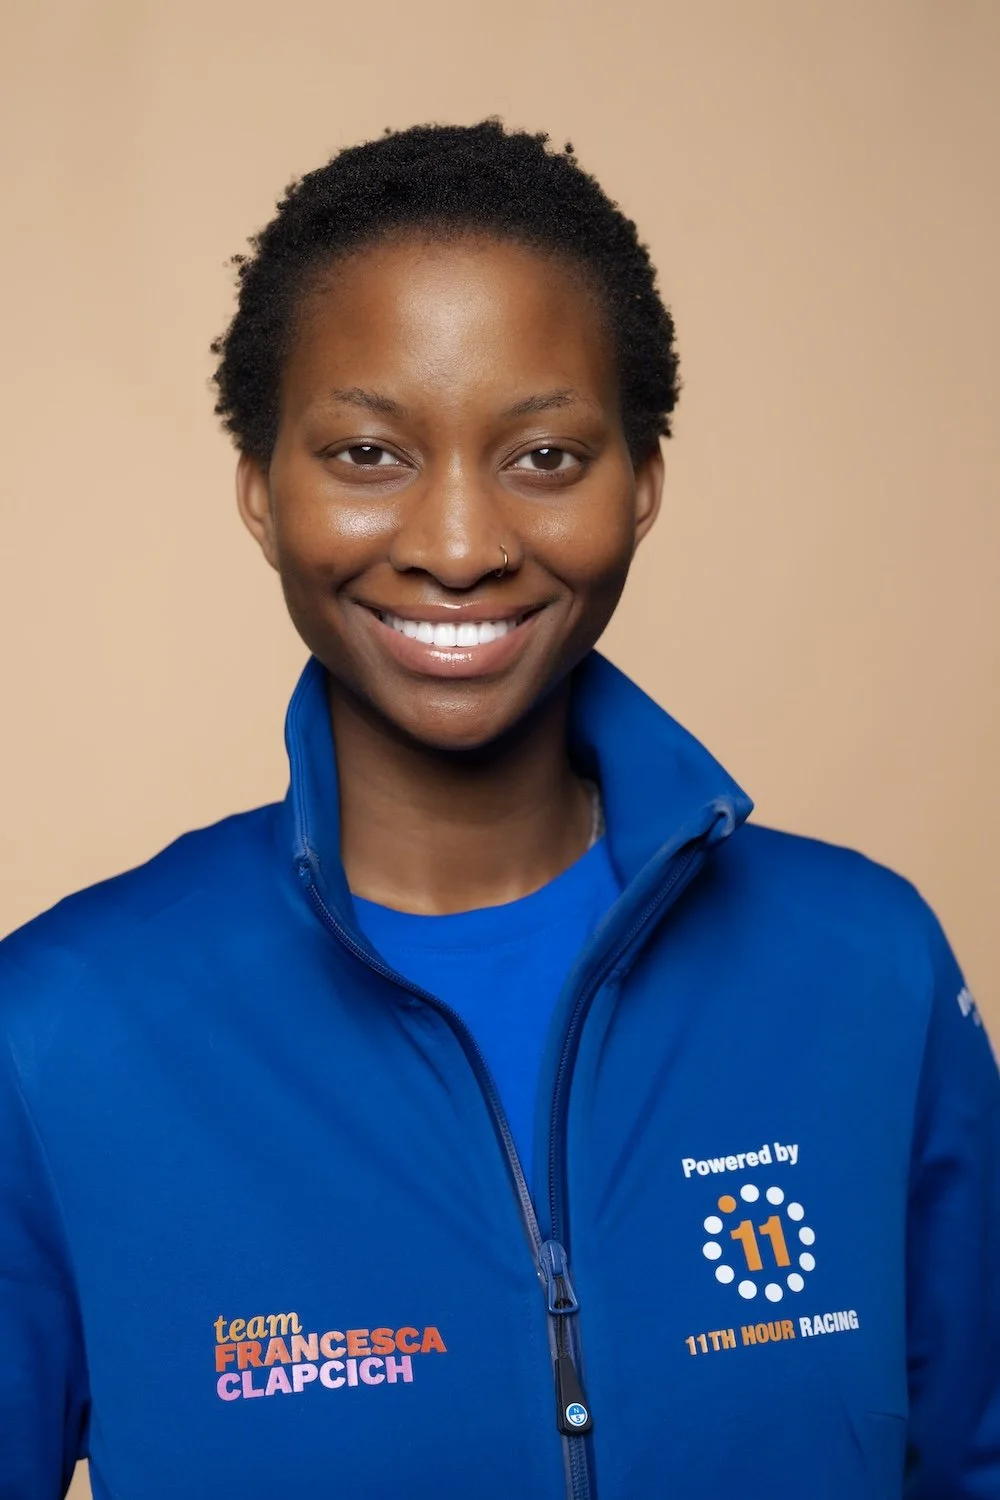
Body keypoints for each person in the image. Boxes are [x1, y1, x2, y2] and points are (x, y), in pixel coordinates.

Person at [0, 120, 997, 1500]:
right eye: (367, 452)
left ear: (642, 486)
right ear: (261, 493)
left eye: (545, 457)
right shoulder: (57, 1036)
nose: (461, 547)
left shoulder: (870, 970)